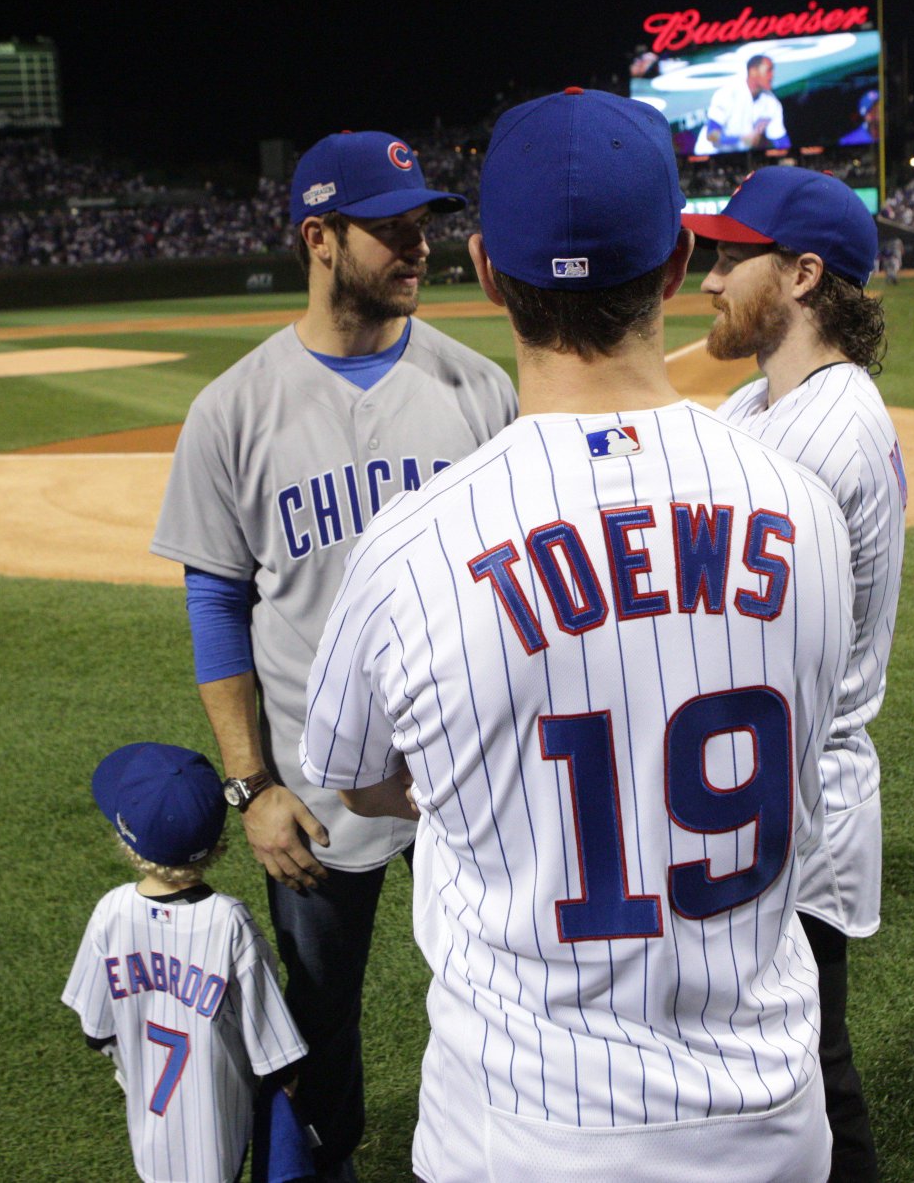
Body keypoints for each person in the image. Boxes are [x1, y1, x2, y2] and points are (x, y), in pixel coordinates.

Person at [302, 88, 854, 1183]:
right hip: (766, 1119)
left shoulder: (411, 547)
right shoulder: (802, 510)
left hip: (518, 1129)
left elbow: (352, 782)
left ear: (485, 272)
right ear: (671, 263)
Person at [150, 130, 518, 1182]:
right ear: (318, 237)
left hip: (467, 779)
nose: (419, 245)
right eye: (390, 226)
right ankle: (332, 1158)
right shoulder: (234, 409)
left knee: (500, 990)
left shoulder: (476, 389)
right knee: (319, 1022)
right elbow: (216, 605)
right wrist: (251, 785)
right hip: (312, 792)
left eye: (423, 223)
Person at [687, 167, 904, 1183]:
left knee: (807, 1074)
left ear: (804, 275)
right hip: (762, 784)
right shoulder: (762, 402)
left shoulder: (823, 431)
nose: (708, 279)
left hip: (796, 801)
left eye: (733, 258)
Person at [62, 743, 311, 1183]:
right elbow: (276, 1056)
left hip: (149, 1133)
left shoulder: (111, 911)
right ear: (218, 841)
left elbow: (96, 1031)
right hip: (217, 1132)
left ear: (125, 835)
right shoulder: (227, 922)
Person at [696, 53, 790, 156]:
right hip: (708, 156)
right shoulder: (728, 94)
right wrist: (741, 139)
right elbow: (711, 136)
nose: (772, 76)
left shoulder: (772, 103)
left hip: (741, 158)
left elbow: (781, 141)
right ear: (753, 71)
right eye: (768, 70)